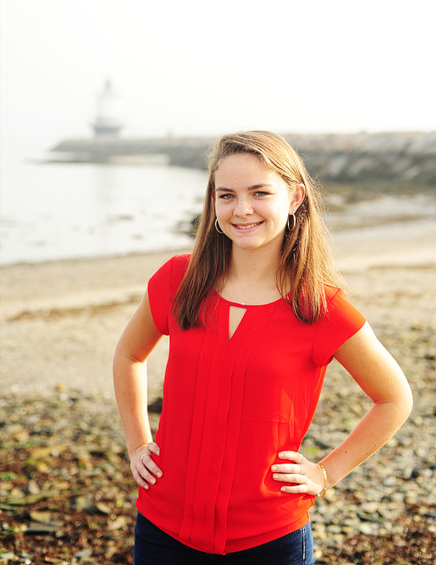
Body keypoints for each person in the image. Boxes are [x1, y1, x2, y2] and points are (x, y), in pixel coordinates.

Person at [113, 130, 413, 564]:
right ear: (212, 202)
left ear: (294, 198)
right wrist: (137, 443)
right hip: (162, 527)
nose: (242, 209)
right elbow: (128, 355)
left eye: (260, 192)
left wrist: (326, 472)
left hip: (269, 538)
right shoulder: (177, 281)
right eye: (227, 195)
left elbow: (394, 398)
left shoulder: (320, 307)